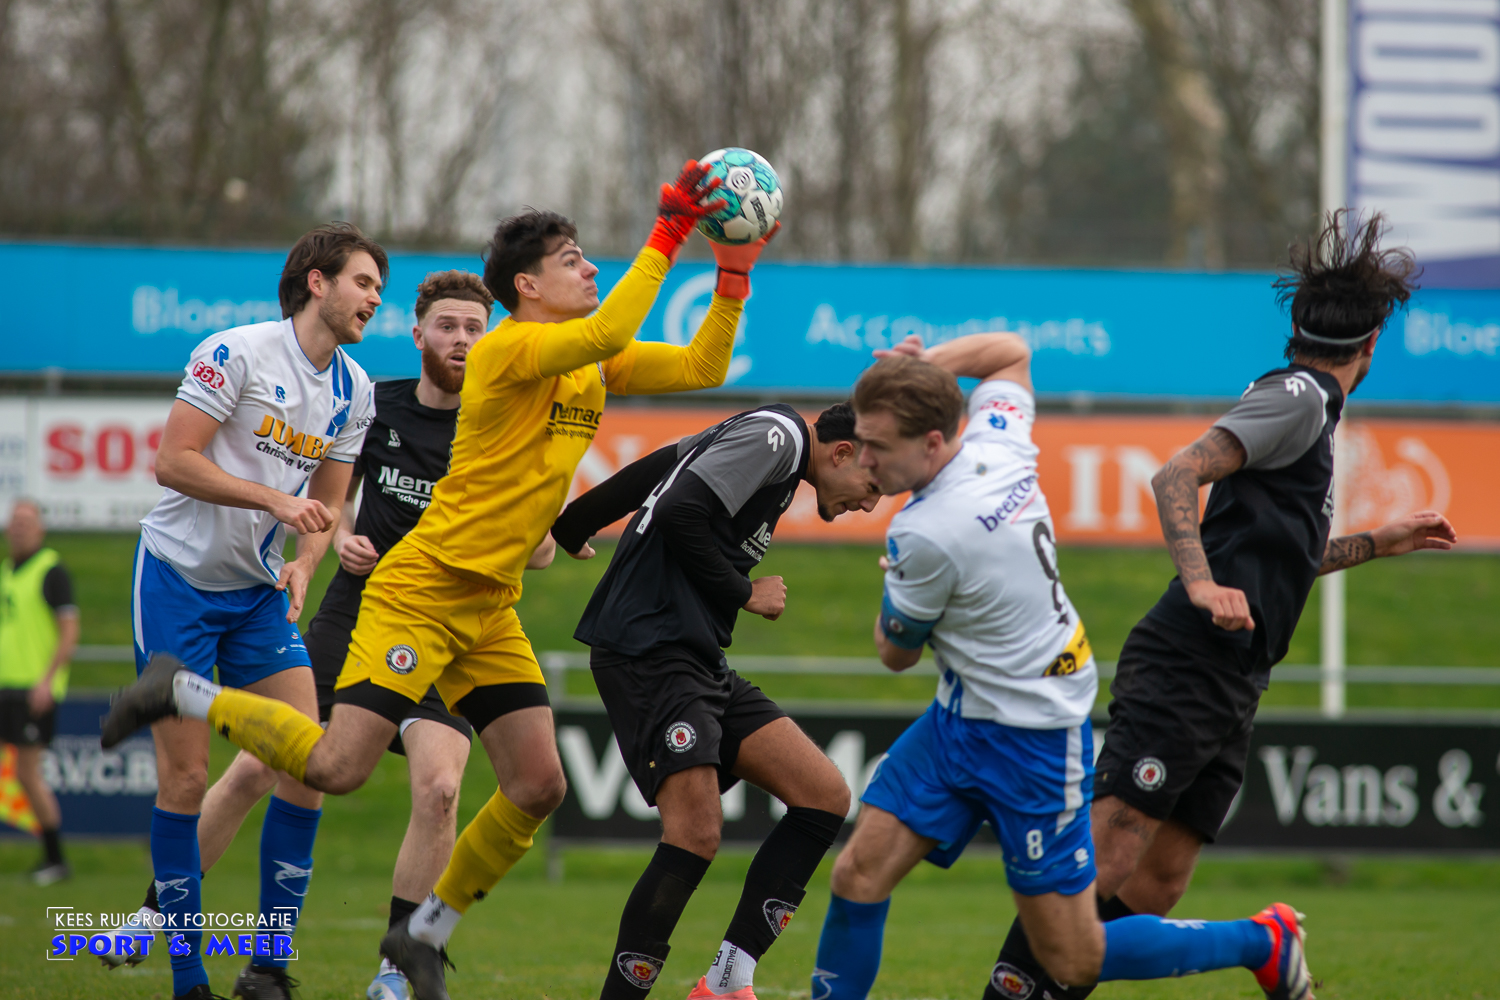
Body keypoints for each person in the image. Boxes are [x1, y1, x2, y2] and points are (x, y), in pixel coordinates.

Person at [103, 161, 778, 1000]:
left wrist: (734, 269)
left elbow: (709, 364)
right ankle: (185, 695)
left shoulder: (589, 363)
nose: (591, 269)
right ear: (527, 285)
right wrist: (670, 230)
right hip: (421, 590)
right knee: (337, 768)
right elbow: (604, 334)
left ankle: (422, 936)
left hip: (490, 606)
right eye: (573, 259)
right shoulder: (507, 351)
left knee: (538, 784)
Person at [977, 211, 1456, 1000]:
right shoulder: (1299, 398)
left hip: (1236, 673)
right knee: (1109, 850)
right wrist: (1199, 585)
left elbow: (1279, 562)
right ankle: (1016, 991)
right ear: (1370, 349)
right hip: (1188, 658)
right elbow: (1175, 475)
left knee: (1159, 880)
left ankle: (1260, 942)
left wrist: (1378, 541)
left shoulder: (1306, 409)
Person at [809, 336, 1318, 1000]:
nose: (866, 460)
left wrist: (896, 592)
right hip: (959, 722)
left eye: (878, 446)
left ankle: (1264, 942)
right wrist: (925, 366)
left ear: (933, 443)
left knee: (1074, 958)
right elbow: (1009, 353)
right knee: (857, 874)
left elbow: (894, 653)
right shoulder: (997, 440)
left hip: (1032, 738)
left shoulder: (925, 533)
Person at [100, 270, 514, 1000]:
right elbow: (331, 501)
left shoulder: (498, 424)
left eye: (474, 328)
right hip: (358, 617)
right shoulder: (369, 400)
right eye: (446, 325)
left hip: (448, 630)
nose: (461, 339)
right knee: (267, 766)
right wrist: (342, 542)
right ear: (418, 334)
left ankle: (396, 965)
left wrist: (537, 537)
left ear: (492, 340)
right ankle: (154, 914)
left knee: (443, 788)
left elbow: (533, 541)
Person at [109, 222, 381, 1000]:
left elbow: (327, 504)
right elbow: (172, 461)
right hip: (177, 581)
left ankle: (266, 968)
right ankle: (188, 981)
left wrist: (302, 563)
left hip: (258, 596)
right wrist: (274, 500)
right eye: (362, 282)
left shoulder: (356, 389)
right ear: (317, 282)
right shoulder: (237, 352)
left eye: (378, 290)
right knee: (187, 782)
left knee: (310, 766)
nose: (373, 299)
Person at [548, 400, 881, 1000]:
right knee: (696, 832)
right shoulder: (777, 437)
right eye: (871, 485)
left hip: (695, 657)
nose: (869, 502)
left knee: (824, 796)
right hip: (650, 648)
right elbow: (679, 507)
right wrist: (743, 590)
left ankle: (728, 981)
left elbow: (661, 468)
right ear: (842, 452)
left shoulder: (767, 442)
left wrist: (574, 523)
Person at [0, 499, 79, 885]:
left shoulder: (51, 570)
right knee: (17, 772)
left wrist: (47, 680)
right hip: (5, 684)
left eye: (26, 522)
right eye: (14, 522)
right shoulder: (7, 572)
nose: (19, 528)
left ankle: (55, 858)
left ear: (40, 528)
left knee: (29, 773)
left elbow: (69, 632)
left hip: (33, 689)